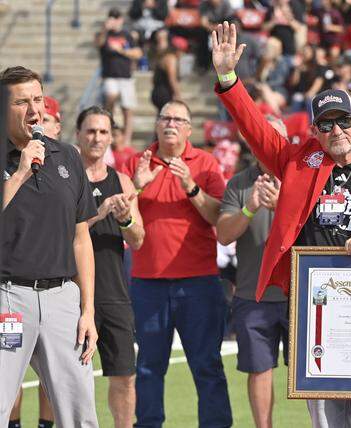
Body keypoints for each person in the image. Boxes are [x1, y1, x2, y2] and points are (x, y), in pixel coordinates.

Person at [212, 21, 351, 428]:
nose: (337, 131)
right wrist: (229, 78)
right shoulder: (298, 163)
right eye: (326, 124)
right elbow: (254, 127)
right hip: (313, 310)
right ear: (314, 131)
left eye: (343, 121)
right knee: (327, 421)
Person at [0, 66, 99, 427]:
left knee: (80, 411)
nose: (34, 110)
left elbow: (81, 237)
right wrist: (21, 171)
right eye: (21, 101)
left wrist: (87, 310)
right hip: (7, 300)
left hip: (62, 300)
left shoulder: (68, 156)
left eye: (38, 99)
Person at [123, 100, 231, 427]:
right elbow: (121, 215)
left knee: (207, 365)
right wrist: (139, 184)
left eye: (178, 119)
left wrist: (191, 186)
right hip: (149, 282)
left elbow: (218, 217)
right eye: (165, 118)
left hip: (198, 282)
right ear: (157, 125)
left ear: (189, 129)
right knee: (149, 367)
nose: (171, 123)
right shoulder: (136, 163)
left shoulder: (206, 163)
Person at [217, 116, 288, 428]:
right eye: (264, 136)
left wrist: (281, 205)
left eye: (277, 138)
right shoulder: (239, 183)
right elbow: (223, 234)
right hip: (253, 294)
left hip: (301, 294)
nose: (270, 143)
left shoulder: (305, 177)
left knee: (312, 371)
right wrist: (251, 207)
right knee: (259, 370)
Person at [77, 106, 145, 428]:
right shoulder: (65, 177)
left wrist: (125, 219)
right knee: (74, 382)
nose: (97, 138)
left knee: (124, 378)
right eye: (91, 131)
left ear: (112, 137)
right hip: (73, 294)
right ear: (78, 135)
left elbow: (138, 238)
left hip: (115, 294)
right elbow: (56, 232)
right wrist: (100, 211)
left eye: (103, 132)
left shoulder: (122, 180)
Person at [7, 95, 62, 428]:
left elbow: (77, 234)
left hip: (55, 290)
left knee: (52, 374)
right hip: (11, 292)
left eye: (48, 119)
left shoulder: (67, 165)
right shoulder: (14, 160)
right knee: (9, 370)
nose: (42, 125)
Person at [95, 7, 143, 146]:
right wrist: (105, 29)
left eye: (116, 18)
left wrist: (121, 50)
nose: (114, 21)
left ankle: (126, 141)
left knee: (128, 109)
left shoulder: (127, 35)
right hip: (109, 75)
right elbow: (98, 43)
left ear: (121, 20)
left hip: (126, 76)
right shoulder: (105, 34)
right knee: (111, 95)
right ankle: (109, 127)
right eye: (111, 17)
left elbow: (138, 53)